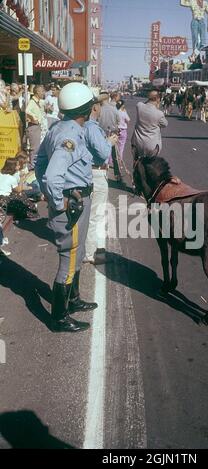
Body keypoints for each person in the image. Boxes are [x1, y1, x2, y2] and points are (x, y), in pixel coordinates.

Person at [35, 83, 98, 333]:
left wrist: (50, 194)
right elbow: (51, 176)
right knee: (69, 259)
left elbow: (38, 163)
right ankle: (59, 318)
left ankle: (73, 299)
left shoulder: (59, 128)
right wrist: (57, 200)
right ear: (86, 108)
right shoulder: (69, 136)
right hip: (71, 205)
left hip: (77, 200)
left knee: (78, 253)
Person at [84, 97, 118, 265]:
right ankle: (89, 253)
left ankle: (86, 249)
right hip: (96, 173)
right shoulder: (91, 128)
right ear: (95, 108)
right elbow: (103, 154)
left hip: (90, 172)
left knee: (89, 214)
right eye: (100, 105)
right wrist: (109, 142)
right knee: (95, 215)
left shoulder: (84, 126)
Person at [131, 90, 168, 160]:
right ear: (158, 99)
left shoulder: (139, 106)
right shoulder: (159, 113)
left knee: (137, 163)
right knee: (150, 164)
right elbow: (165, 124)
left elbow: (144, 103)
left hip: (137, 142)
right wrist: (157, 107)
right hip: (152, 145)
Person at [97, 92, 122, 183]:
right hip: (112, 134)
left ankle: (103, 174)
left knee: (102, 155)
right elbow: (118, 121)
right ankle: (117, 175)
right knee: (114, 155)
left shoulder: (99, 110)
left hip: (101, 135)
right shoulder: (114, 109)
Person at [25, 85, 45, 169]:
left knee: (36, 146)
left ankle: (33, 164)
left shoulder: (38, 101)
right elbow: (27, 110)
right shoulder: (32, 102)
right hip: (33, 126)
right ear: (37, 92)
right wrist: (34, 118)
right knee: (34, 147)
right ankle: (32, 165)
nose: (43, 93)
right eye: (42, 91)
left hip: (37, 126)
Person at [116, 99, 130, 166]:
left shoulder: (115, 111)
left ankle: (110, 162)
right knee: (121, 147)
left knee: (114, 146)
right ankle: (120, 160)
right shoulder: (124, 112)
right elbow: (128, 120)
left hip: (116, 130)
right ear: (122, 105)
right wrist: (125, 112)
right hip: (123, 130)